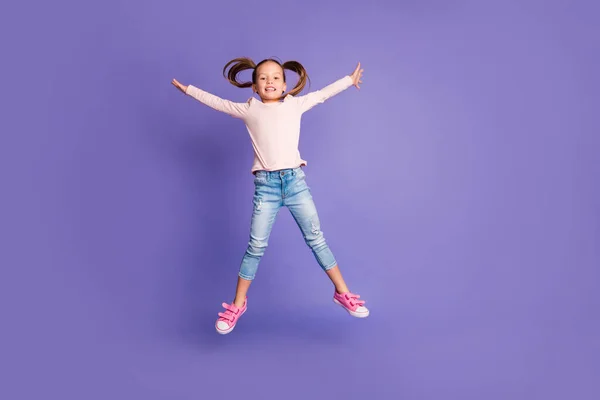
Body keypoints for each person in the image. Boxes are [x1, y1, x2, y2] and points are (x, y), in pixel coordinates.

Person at [172, 57, 369, 335]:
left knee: (316, 238)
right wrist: (189, 90)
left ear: (286, 84)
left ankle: (343, 293)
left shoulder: (295, 104)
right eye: (263, 78)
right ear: (254, 87)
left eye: (276, 77)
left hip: (295, 183)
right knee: (256, 246)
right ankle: (238, 305)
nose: (270, 82)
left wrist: (349, 80)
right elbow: (216, 102)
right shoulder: (249, 110)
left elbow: (323, 94)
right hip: (266, 187)